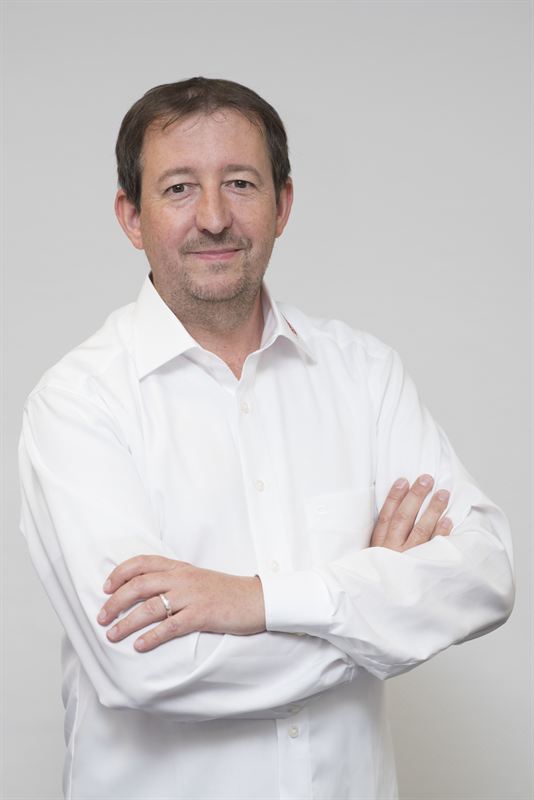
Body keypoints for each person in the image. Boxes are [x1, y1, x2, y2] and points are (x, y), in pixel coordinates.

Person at [19, 77, 514, 800]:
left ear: (282, 204)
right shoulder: (78, 402)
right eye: (179, 188)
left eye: (240, 183)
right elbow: (148, 666)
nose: (214, 217)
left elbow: (485, 572)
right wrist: (376, 618)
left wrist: (258, 601)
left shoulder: (364, 374)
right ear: (131, 217)